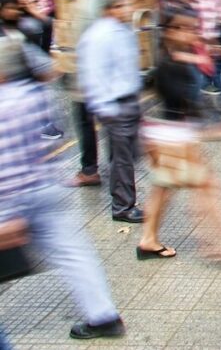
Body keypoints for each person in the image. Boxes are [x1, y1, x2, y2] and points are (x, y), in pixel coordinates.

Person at [0, 77, 127, 340]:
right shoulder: (31, 92)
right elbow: (56, 134)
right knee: (75, 254)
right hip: (47, 187)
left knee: (73, 254)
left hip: (13, 197)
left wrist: (8, 212)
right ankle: (104, 316)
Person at [138, 10, 221, 262]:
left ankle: (149, 240)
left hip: (167, 136)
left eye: (194, 29)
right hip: (173, 139)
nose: (192, 34)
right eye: (185, 29)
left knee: (164, 190)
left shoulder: (178, 59)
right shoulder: (170, 64)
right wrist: (218, 129)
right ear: (170, 32)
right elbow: (186, 105)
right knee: (206, 188)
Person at [78, 0, 145, 223]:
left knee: (126, 156)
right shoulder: (100, 35)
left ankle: (124, 200)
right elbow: (94, 74)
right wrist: (107, 109)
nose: (128, 10)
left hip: (128, 102)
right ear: (110, 9)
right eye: (122, 6)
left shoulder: (124, 30)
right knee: (122, 159)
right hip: (115, 106)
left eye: (128, 5)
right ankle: (123, 207)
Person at [64, 0, 107, 187]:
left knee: (84, 122)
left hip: (87, 78)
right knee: (108, 120)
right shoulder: (104, 0)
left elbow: (80, 45)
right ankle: (117, 162)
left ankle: (89, 170)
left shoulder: (81, 6)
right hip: (106, 77)